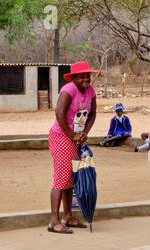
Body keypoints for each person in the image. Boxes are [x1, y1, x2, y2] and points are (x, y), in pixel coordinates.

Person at [48, 61, 98, 234]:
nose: (86, 78)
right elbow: (59, 114)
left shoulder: (91, 91)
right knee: (61, 179)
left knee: (71, 178)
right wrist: (72, 135)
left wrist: (84, 133)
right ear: (73, 77)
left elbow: (92, 114)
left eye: (88, 75)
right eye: (82, 76)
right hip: (62, 136)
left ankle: (67, 216)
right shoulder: (68, 90)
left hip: (76, 138)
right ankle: (54, 221)